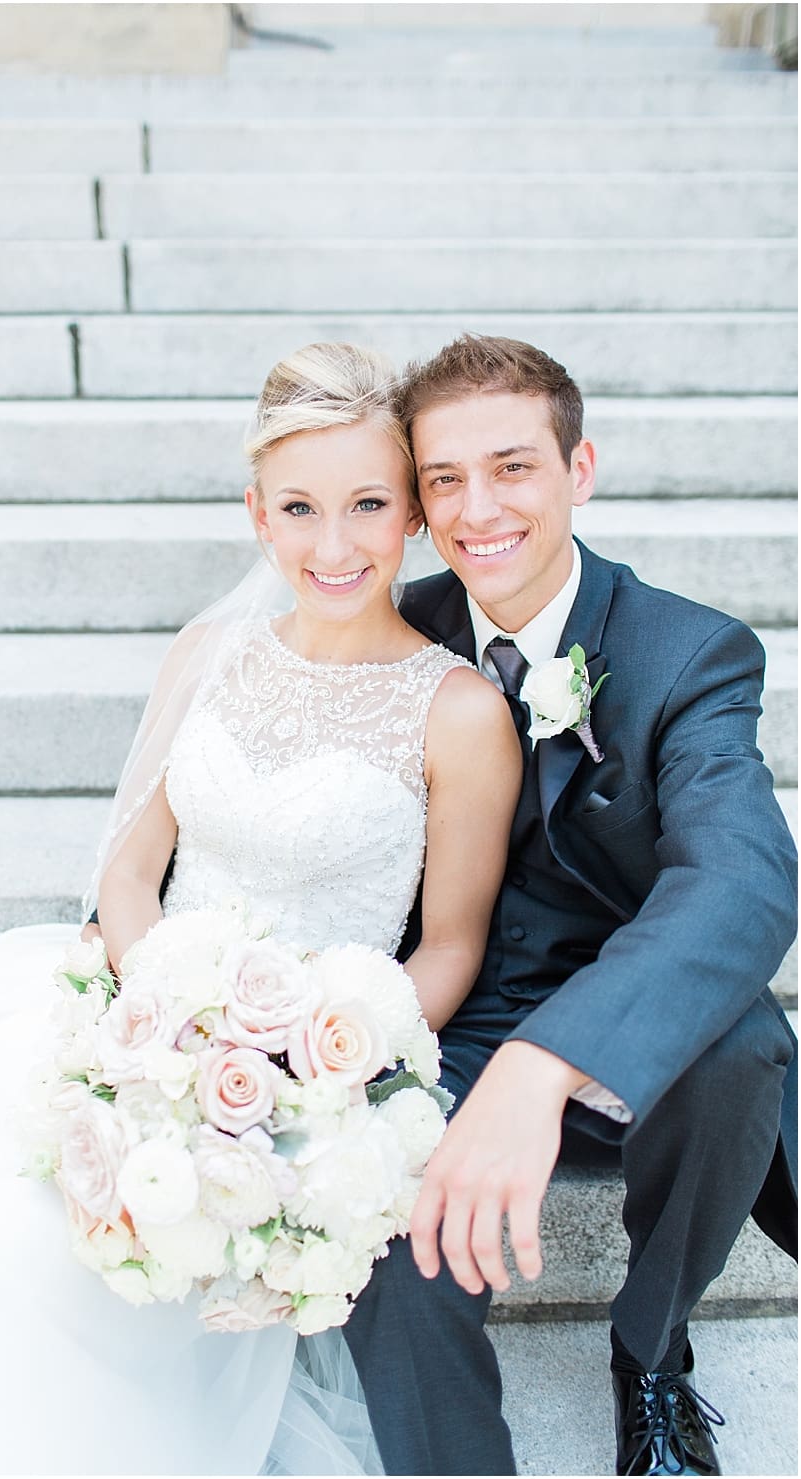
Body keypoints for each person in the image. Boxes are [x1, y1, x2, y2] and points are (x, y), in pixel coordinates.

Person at [0, 343, 520, 1474]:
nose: (331, 544)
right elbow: (131, 872)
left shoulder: (457, 712)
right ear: (256, 514)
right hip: (136, 1019)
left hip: (306, 1070)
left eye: (366, 506)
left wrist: (318, 1067)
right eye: (299, 507)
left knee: (24, 1278)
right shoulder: (209, 655)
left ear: (415, 520)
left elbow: (448, 948)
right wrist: (159, 1033)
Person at [338, 334, 798, 1477]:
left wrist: (548, 1060)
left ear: (578, 470)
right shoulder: (393, 632)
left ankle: (652, 1356)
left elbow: (743, 881)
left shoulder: (686, 653)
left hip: (620, 1022)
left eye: (512, 468)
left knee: (741, 1045)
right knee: (384, 1219)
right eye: (443, 479)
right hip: (439, 1013)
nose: (476, 509)